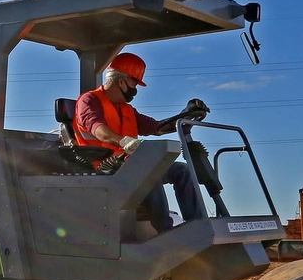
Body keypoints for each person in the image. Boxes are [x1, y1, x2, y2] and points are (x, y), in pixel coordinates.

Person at [73, 51, 209, 234]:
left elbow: (156, 127)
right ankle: (167, 233)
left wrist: (185, 116)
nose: (135, 90)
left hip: (129, 169)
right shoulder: (89, 101)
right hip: (103, 172)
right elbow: (99, 130)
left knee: (181, 171)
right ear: (121, 81)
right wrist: (124, 141)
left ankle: (198, 227)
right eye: (134, 83)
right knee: (148, 172)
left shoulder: (127, 110)